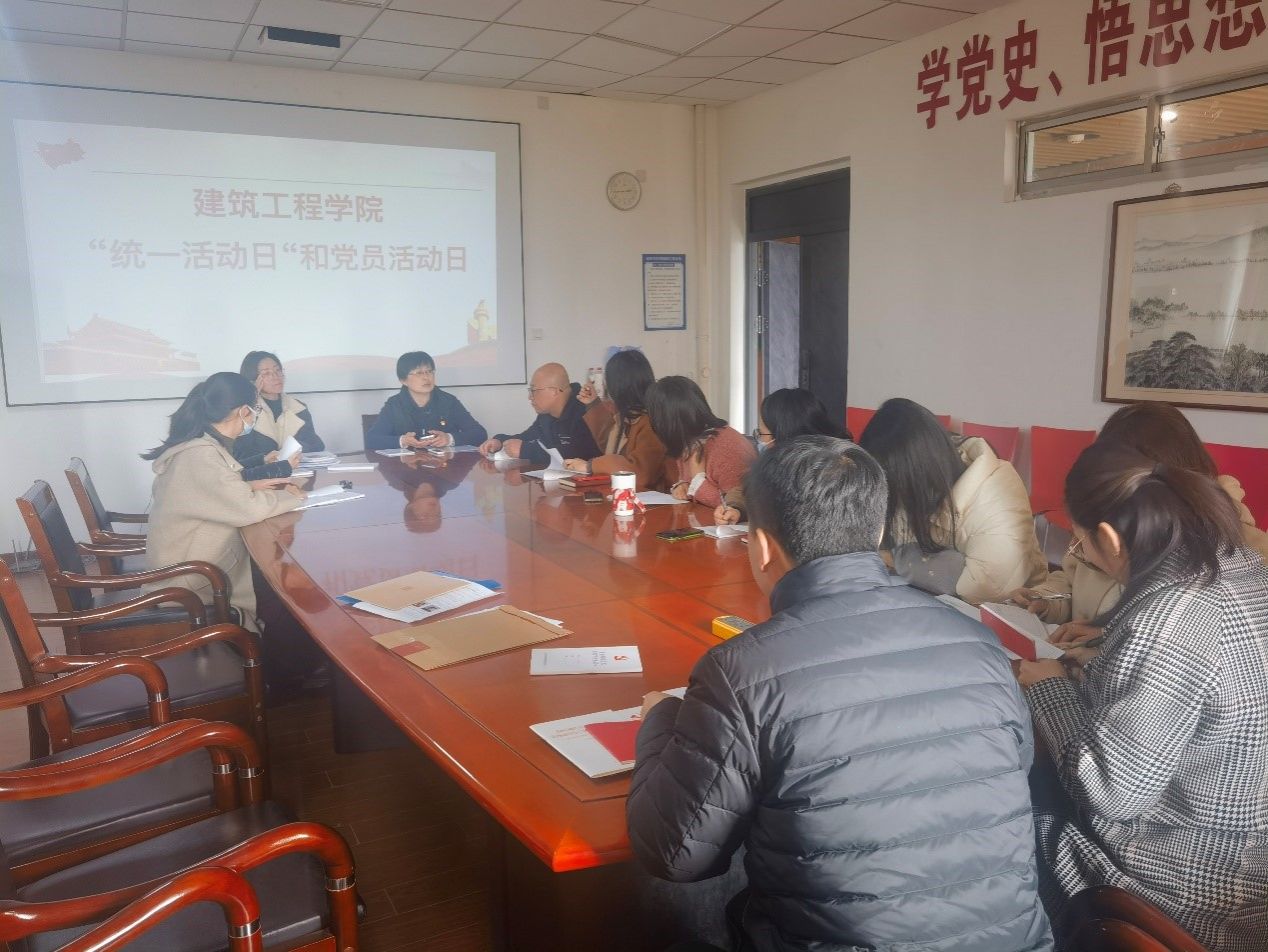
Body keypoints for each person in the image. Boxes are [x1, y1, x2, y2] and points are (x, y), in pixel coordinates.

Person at [628, 436, 1053, 952]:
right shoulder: (981, 647)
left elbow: (675, 854)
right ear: (878, 532)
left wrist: (661, 721)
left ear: (761, 547)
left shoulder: (742, 672)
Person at [1019, 441, 1268, 951]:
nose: (1080, 553)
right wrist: (1100, 658)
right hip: (1248, 860)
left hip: (1189, 885)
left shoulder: (1171, 619)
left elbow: (1109, 792)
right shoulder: (1244, 567)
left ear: (1110, 539)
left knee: (1006, 814)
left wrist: (1047, 686)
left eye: (1080, 541)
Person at [1009, 401, 1268, 630]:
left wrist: (1107, 640)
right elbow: (1070, 579)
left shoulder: (1247, 554)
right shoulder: (1102, 522)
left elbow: (1207, 642)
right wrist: (1046, 600)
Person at [141, 372, 305, 632]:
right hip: (192, 583)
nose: (255, 415)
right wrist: (293, 496)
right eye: (255, 409)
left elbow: (221, 490)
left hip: (194, 565)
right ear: (243, 411)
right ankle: (276, 657)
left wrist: (248, 485)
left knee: (276, 584)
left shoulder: (201, 445)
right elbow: (248, 508)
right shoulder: (200, 456)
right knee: (285, 597)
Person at [859, 397, 1046, 605]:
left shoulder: (995, 496)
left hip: (1008, 611)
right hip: (930, 599)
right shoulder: (923, 477)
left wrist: (896, 558)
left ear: (913, 473)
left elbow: (982, 589)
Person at [714, 388, 850, 525]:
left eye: (762, 434)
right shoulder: (778, 462)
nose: (761, 441)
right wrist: (736, 509)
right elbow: (747, 489)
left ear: (782, 435)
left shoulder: (834, 468)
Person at [564, 349, 668, 491]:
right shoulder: (628, 415)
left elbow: (639, 473)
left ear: (618, 386)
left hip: (649, 499)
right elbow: (611, 444)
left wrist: (590, 466)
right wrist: (593, 404)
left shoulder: (651, 422)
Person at [645, 376, 755, 509]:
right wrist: (684, 486)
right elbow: (693, 489)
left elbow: (736, 509)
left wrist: (698, 480)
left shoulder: (725, 447)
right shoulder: (689, 440)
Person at [479, 362, 600, 466]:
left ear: (554, 391)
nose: (530, 397)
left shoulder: (586, 410)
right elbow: (527, 437)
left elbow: (582, 453)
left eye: (534, 390)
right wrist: (499, 442)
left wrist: (526, 451)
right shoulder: (546, 415)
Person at [366, 351, 487, 451]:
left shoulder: (448, 401)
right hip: (406, 468)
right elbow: (372, 439)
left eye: (429, 371)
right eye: (419, 373)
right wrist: (403, 440)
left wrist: (449, 439)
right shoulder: (394, 404)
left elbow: (479, 434)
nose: (426, 377)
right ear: (403, 380)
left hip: (445, 466)